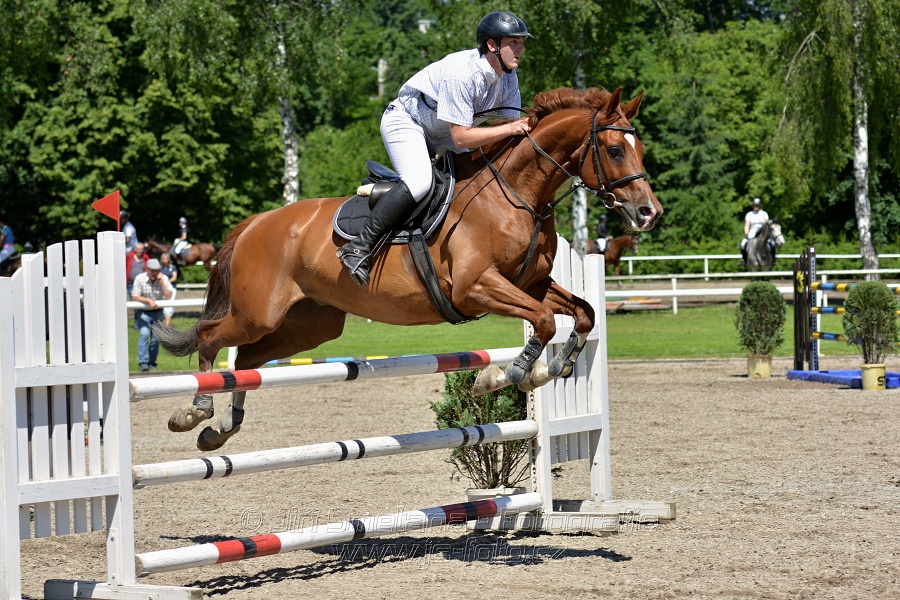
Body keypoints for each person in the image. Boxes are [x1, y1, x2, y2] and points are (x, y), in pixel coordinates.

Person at [337, 11, 533, 285]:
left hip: (444, 131)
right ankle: (359, 246)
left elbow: (509, 125)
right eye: (514, 42)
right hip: (407, 122)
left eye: (522, 42)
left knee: (480, 181)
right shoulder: (461, 73)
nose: (521, 48)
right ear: (492, 45)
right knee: (420, 182)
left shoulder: (508, 76)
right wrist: (512, 129)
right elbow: (463, 138)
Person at [131, 258, 174, 371]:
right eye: (152, 271)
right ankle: (143, 363)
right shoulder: (140, 278)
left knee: (155, 339)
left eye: (157, 270)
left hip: (158, 312)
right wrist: (149, 301)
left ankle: (152, 363)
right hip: (143, 312)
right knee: (144, 334)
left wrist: (162, 284)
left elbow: (169, 296)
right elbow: (135, 296)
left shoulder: (164, 278)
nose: (155, 273)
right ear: (148, 270)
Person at [740, 198, 769, 268]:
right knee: (743, 244)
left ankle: (773, 259)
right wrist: (746, 234)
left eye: (757, 205)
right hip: (752, 233)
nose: (756, 206)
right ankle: (744, 260)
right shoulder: (749, 214)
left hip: (762, 233)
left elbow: (766, 225)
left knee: (772, 243)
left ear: (760, 206)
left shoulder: (764, 214)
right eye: (755, 205)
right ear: (753, 206)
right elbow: (747, 225)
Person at [157, 252, 179, 328]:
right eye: (163, 259)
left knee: (170, 305)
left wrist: (166, 282)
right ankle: (167, 323)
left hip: (171, 288)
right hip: (163, 288)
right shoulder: (160, 269)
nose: (165, 260)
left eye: (166, 259)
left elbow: (174, 277)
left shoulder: (173, 267)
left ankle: (167, 323)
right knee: (165, 305)